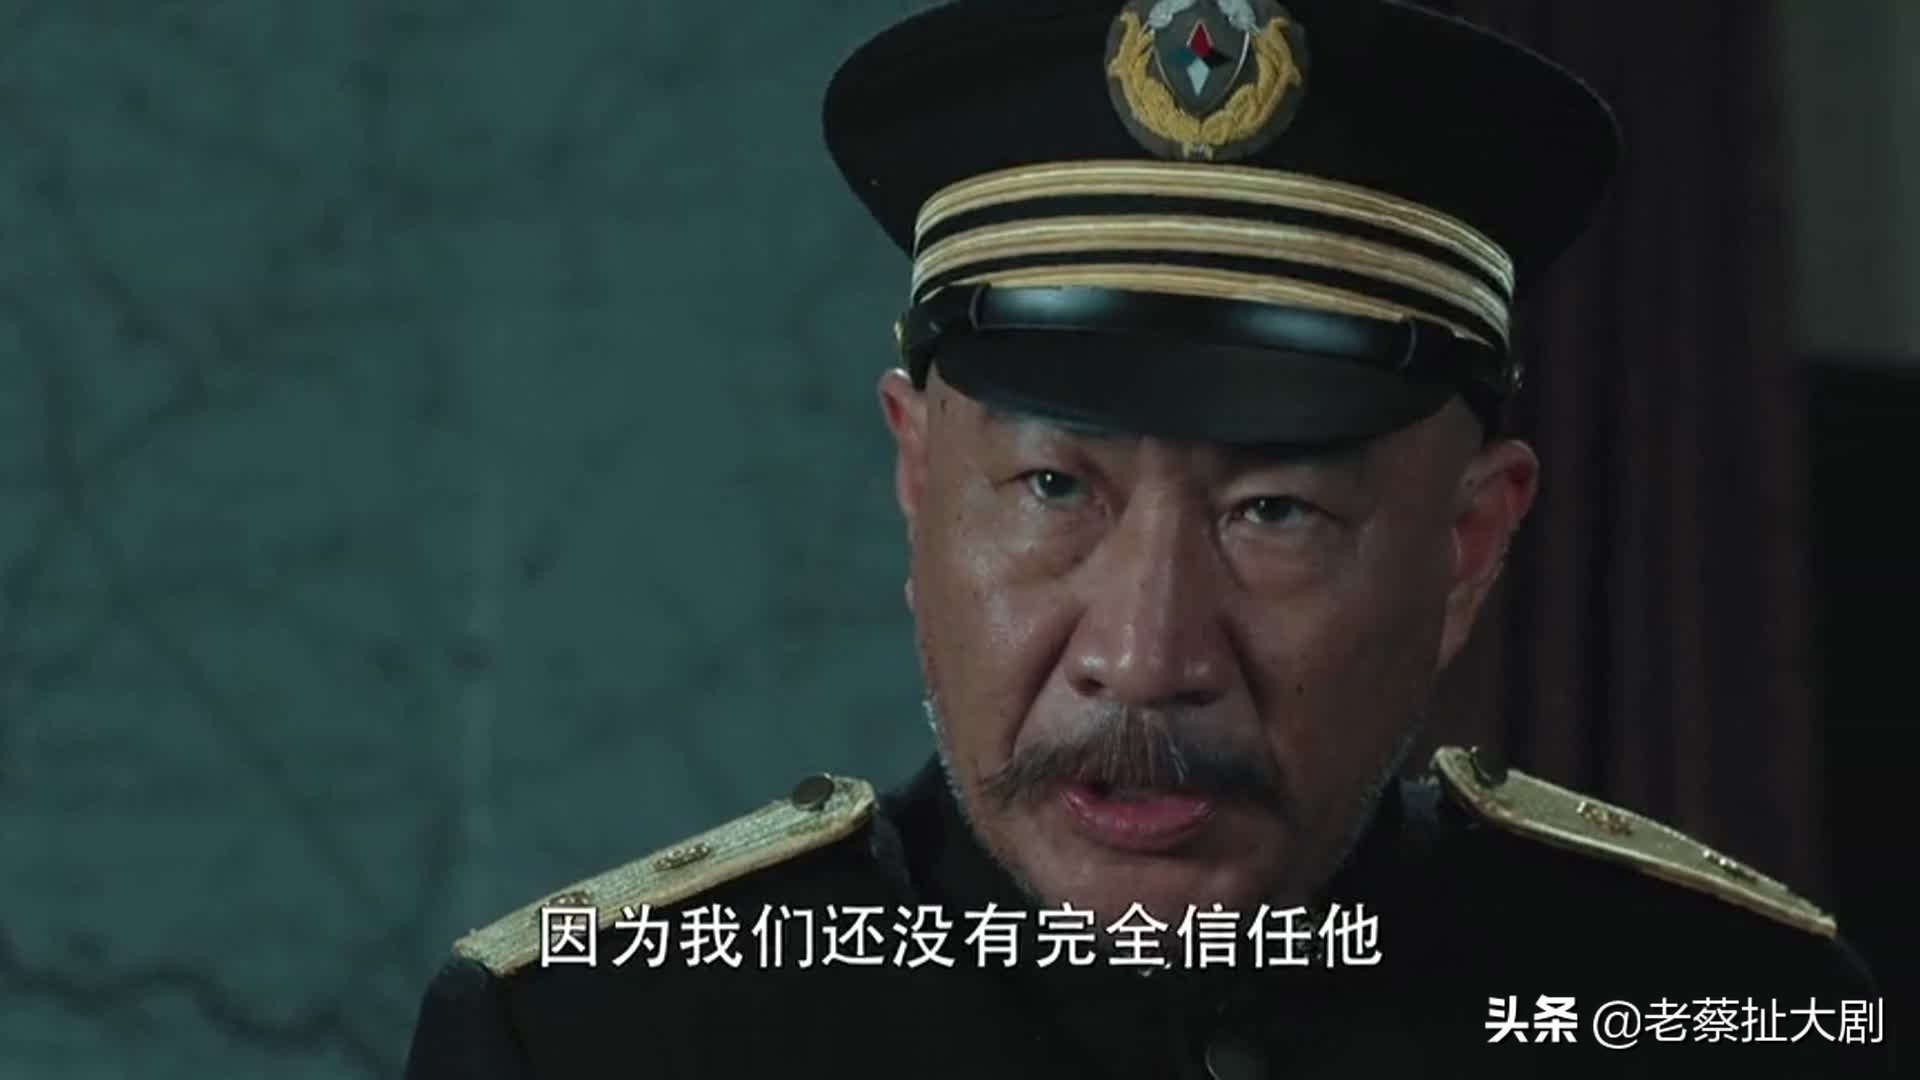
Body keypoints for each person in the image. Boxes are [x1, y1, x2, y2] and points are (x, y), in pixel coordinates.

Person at [402, 1, 1897, 1075]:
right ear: (917, 477)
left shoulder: (1731, 1023)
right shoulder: (602, 1033)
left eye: (1275, 513)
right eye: (1056, 489)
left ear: (1467, 544)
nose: (1143, 654)